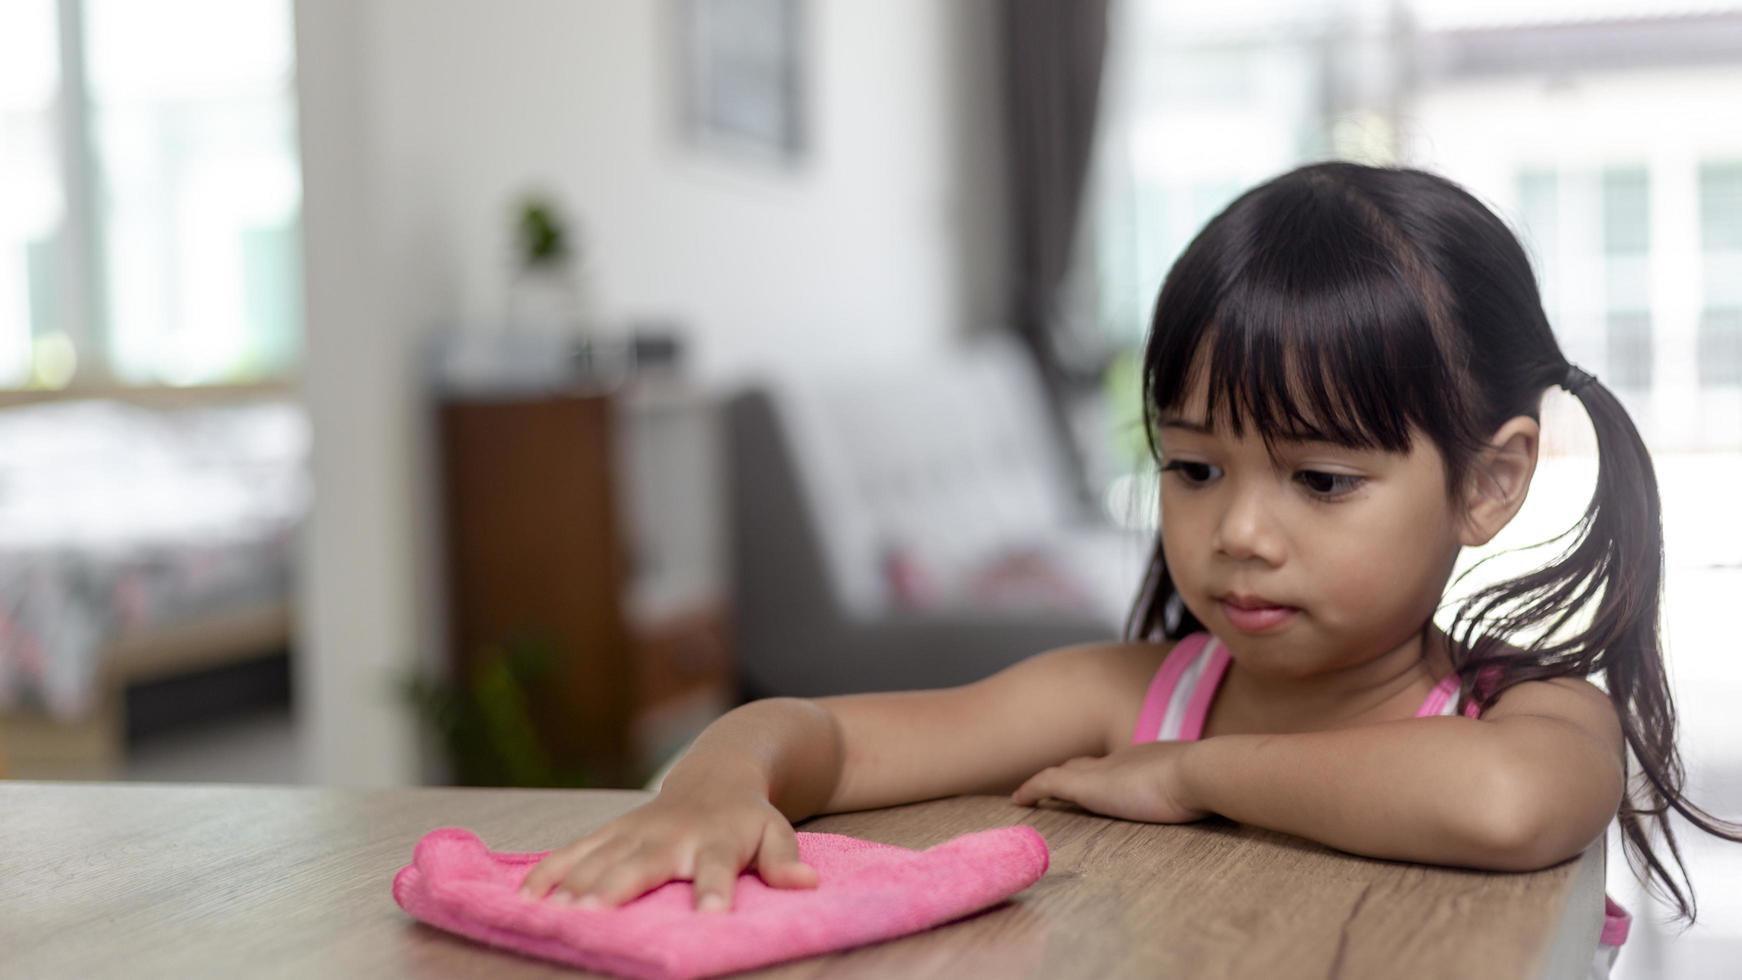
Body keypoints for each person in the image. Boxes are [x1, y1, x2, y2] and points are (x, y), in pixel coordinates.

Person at [517, 162, 1742, 976]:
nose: (1237, 533)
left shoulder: (1527, 715)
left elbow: (1505, 804)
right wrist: (715, 781)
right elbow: (823, 732)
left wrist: (1194, 773)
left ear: (1486, 481)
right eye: (1194, 468)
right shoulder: (1125, 696)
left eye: (1319, 480)